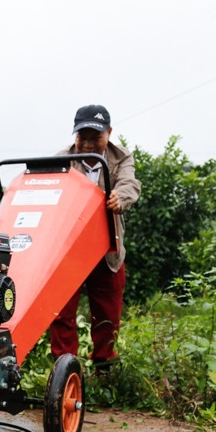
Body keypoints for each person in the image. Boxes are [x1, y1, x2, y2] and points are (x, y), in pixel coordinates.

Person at [50, 104, 141, 370]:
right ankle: (65, 369)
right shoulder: (61, 159)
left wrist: (119, 198)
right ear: (74, 136)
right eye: (82, 137)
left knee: (107, 314)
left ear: (109, 133)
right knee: (62, 312)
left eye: (95, 137)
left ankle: (104, 367)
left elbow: (130, 184)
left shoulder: (121, 156)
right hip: (70, 249)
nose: (88, 143)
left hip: (106, 248)